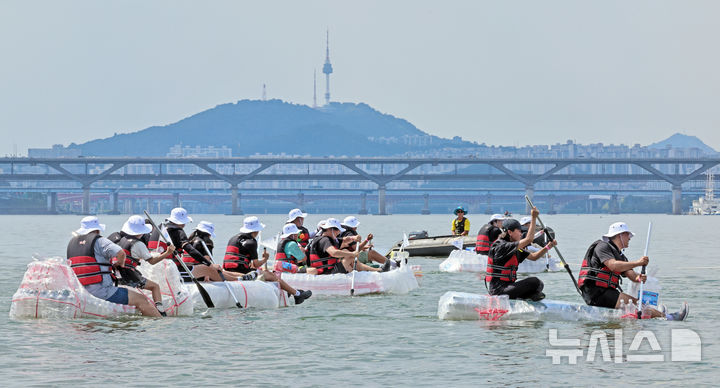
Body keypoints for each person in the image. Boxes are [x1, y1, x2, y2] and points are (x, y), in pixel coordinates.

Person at [579, 222, 689, 320]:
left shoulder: (621, 256)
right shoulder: (602, 246)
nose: (630, 238)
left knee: (638, 305)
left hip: (608, 292)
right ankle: (670, 318)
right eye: (627, 234)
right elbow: (613, 266)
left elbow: (631, 275)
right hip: (596, 292)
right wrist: (638, 263)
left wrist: (638, 277)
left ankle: (658, 314)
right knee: (639, 305)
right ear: (619, 235)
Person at [66, 216, 161, 317]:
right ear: (97, 230)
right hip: (102, 291)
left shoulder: (71, 243)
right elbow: (121, 253)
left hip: (81, 291)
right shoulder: (99, 241)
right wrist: (120, 264)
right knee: (141, 299)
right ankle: (159, 323)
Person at [223, 216, 312, 304]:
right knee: (272, 276)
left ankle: (290, 291)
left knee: (266, 272)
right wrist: (265, 259)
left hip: (228, 271)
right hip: (242, 272)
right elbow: (256, 264)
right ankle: (297, 294)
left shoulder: (233, 238)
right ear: (256, 230)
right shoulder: (251, 242)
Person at [108, 215, 177, 316]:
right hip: (129, 275)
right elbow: (152, 261)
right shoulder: (138, 244)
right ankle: (160, 311)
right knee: (155, 287)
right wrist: (167, 252)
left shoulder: (122, 240)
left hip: (117, 274)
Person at [485, 208, 556, 301]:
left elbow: (534, 257)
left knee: (539, 284)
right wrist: (533, 218)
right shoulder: (501, 246)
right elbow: (529, 240)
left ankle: (528, 296)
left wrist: (548, 247)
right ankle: (528, 296)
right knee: (535, 282)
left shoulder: (515, 248)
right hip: (498, 291)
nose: (521, 233)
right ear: (510, 232)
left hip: (508, 287)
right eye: (519, 231)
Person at [163, 207, 227, 283]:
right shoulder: (178, 232)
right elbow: (190, 249)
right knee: (210, 269)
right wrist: (210, 265)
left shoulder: (161, 229)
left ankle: (240, 278)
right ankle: (239, 279)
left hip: (160, 270)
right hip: (175, 271)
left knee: (210, 269)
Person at [309, 218, 389, 275]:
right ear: (331, 229)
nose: (339, 232)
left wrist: (354, 237)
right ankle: (376, 271)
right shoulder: (324, 240)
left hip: (331, 268)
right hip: (326, 271)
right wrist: (352, 254)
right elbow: (334, 253)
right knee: (349, 256)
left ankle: (376, 271)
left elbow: (344, 240)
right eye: (337, 230)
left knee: (348, 254)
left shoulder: (330, 239)